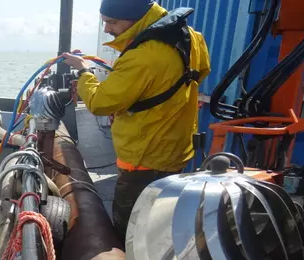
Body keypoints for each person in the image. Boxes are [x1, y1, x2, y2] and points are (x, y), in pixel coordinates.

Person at [62, 0, 211, 242]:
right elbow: (200, 71)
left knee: (130, 229)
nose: (108, 29)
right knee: (161, 220)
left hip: (144, 158)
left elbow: (100, 103)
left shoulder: (143, 55)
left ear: (136, 17)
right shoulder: (191, 37)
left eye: (112, 22)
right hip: (176, 151)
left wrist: (83, 72)